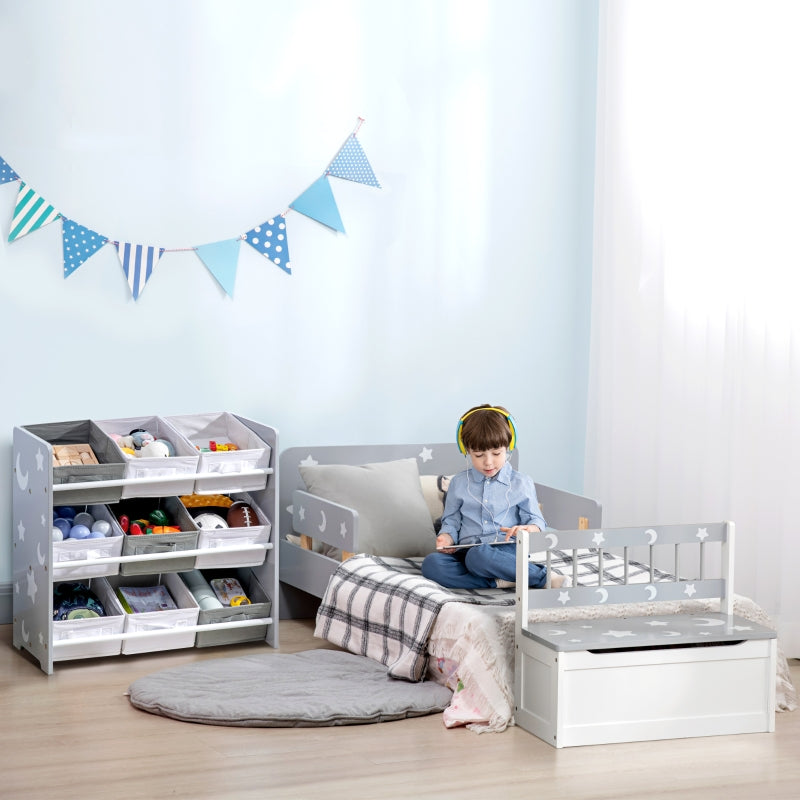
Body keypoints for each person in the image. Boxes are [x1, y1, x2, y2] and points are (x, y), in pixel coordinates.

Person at [421, 404, 568, 590]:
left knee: (478, 557)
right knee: (432, 564)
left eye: (497, 453)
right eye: (479, 455)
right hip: (465, 552)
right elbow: (451, 520)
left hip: (506, 552)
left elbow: (536, 521)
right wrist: (446, 537)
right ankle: (503, 580)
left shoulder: (521, 483)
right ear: (466, 450)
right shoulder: (458, 483)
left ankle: (542, 577)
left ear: (509, 447)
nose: (488, 462)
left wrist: (529, 528)